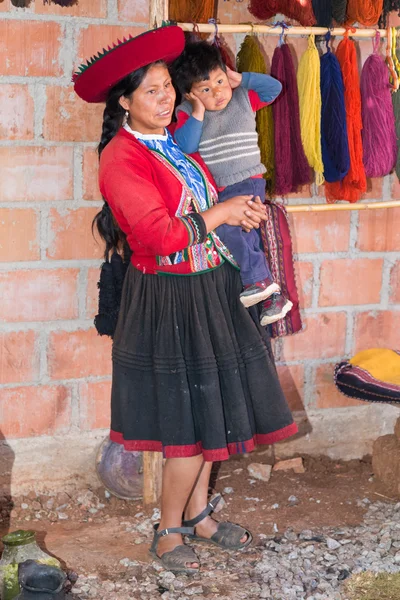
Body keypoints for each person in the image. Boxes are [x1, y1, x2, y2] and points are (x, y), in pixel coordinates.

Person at [73, 25, 298, 575]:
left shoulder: (170, 141)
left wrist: (232, 216)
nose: (166, 97)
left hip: (207, 289)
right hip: (170, 301)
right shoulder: (121, 158)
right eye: (150, 91)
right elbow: (158, 235)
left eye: (165, 87)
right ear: (124, 101)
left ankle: (200, 516)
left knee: (212, 417)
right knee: (190, 430)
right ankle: (168, 531)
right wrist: (221, 214)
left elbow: (196, 210)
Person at [172, 41, 293, 326]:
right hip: (223, 189)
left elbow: (274, 89)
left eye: (220, 81)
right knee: (244, 237)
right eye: (205, 89)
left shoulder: (242, 96)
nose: (217, 92)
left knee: (232, 231)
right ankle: (272, 295)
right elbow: (186, 145)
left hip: (248, 180)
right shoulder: (188, 114)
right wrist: (198, 110)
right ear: (190, 94)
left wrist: (242, 79)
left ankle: (259, 283)